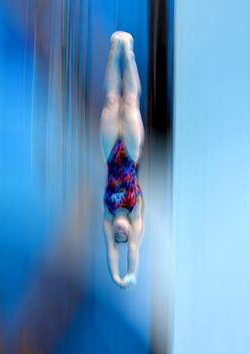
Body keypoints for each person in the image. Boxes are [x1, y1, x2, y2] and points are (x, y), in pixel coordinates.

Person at [100, 31, 144, 289]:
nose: (120, 237)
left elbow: (111, 251)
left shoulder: (107, 214)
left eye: (118, 238)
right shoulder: (135, 212)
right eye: (124, 238)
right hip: (130, 154)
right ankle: (128, 53)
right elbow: (133, 249)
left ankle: (114, 51)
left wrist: (115, 274)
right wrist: (129, 273)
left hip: (109, 154)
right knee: (129, 103)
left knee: (111, 101)